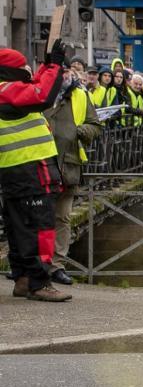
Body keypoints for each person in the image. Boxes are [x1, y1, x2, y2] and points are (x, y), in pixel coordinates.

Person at [0, 42, 72, 302]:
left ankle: (23, 279)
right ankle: (39, 283)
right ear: (11, 72)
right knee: (40, 228)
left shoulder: (9, 89)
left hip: (15, 171)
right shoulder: (7, 90)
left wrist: (47, 64)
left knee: (19, 229)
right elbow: (42, 94)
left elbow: (35, 85)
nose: (28, 70)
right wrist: (55, 65)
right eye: (23, 67)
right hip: (30, 170)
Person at [44, 58, 101, 286]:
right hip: (41, 164)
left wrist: (80, 131)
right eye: (59, 70)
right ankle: (35, 264)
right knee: (36, 218)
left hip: (68, 164)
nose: (64, 74)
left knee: (63, 217)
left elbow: (96, 125)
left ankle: (57, 265)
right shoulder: (40, 94)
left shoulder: (80, 95)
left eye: (66, 70)